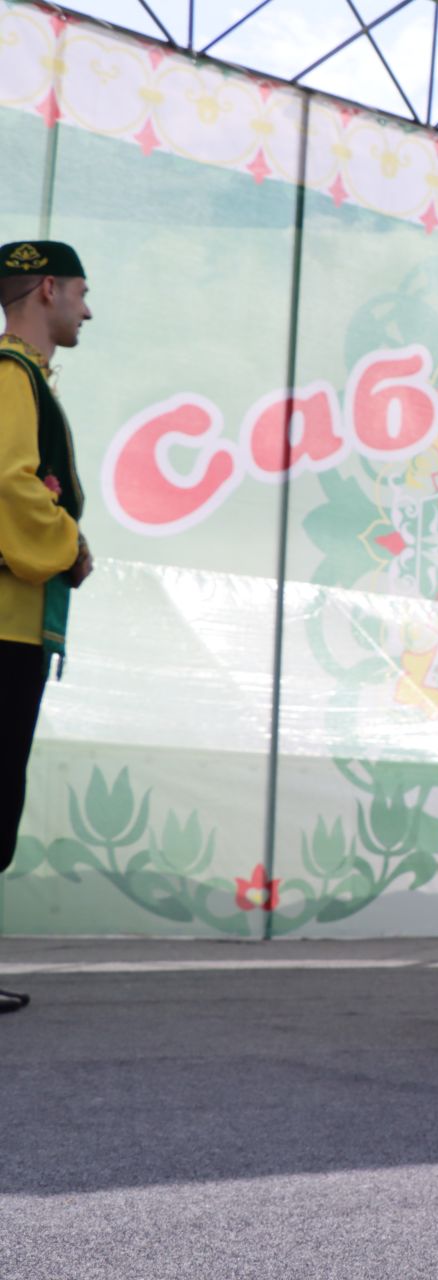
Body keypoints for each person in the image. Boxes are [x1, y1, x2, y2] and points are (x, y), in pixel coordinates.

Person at [0, 241, 94, 1016]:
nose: (87, 311)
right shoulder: (10, 377)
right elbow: (10, 483)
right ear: (47, 289)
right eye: (81, 294)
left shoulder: (22, 379)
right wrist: (69, 545)